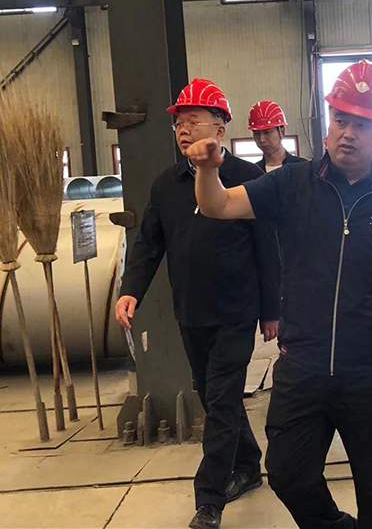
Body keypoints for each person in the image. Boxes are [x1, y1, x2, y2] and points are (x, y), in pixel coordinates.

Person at [186, 59, 372, 529]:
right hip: (303, 366)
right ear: (328, 123)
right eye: (340, 120)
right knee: (287, 473)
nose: (348, 133)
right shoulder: (291, 183)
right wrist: (206, 170)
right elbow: (217, 204)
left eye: (362, 124)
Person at [114, 78, 279, 529]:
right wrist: (131, 289)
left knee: (221, 400)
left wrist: (272, 310)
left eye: (193, 121)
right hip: (190, 312)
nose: (183, 130)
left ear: (220, 129)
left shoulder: (249, 180)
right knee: (214, 396)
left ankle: (209, 499)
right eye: (178, 124)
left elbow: (268, 249)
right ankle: (248, 465)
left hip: (237, 311)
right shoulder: (167, 185)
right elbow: (149, 244)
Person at [247, 100, 306, 172]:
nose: (261, 139)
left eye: (267, 132)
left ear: (282, 132)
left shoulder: (303, 168)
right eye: (257, 133)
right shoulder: (253, 172)